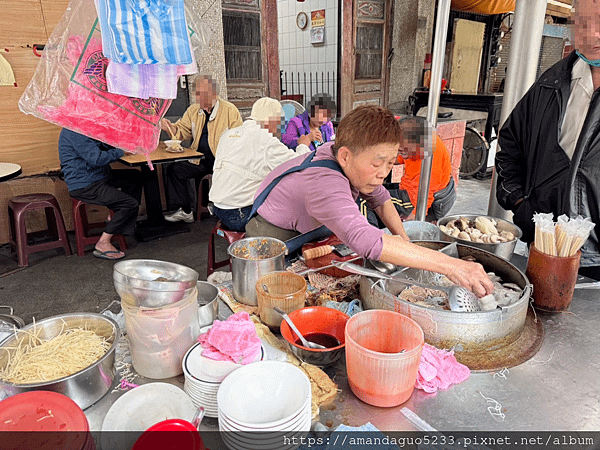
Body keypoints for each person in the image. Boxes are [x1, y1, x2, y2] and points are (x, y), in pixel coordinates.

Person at [246, 105, 493, 297]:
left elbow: (381, 199)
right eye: (377, 163)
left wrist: (405, 241)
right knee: (278, 290)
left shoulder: (350, 155)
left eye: (390, 162)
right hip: (275, 234)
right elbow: (365, 240)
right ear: (344, 156)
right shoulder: (325, 182)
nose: (384, 173)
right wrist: (452, 267)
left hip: (309, 227)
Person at [495, 0, 600, 278]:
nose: (591, 34)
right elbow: (510, 143)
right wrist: (518, 201)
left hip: (596, 260)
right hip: (541, 244)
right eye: (582, 23)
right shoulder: (551, 83)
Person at [209, 98, 311, 231]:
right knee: (290, 201)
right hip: (239, 214)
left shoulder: (228, 134)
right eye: (280, 122)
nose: (281, 127)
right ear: (272, 120)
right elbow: (300, 163)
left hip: (218, 209)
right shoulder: (266, 141)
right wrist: (303, 145)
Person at [161, 75, 242, 223]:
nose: (201, 98)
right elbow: (181, 131)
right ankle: (185, 211)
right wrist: (169, 127)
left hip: (222, 161)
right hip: (199, 160)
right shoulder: (193, 110)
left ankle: (219, 209)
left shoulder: (230, 110)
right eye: (198, 94)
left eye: (205, 94)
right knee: (174, 169)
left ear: (215, 94)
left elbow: (239, 137)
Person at [58, 129, 143, 260]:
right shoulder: (74, 131)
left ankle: (114, 219)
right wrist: (121, 151)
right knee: (130, 204)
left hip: (99, 176)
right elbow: (96, 158)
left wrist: (122, 142)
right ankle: (103, 242)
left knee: (135, 177)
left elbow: (103, 145)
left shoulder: (86, 127)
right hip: (85, 184)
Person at [390, 116, 455, 222]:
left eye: (401, 151)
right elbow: (397, 159)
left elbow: (425, 198)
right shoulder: (415, 142)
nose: (400, 153)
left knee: (367, 198)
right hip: (410, 188)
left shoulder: (430, 160)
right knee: (378, 189)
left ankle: (372, 237)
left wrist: (413, 218)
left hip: (423, 201)